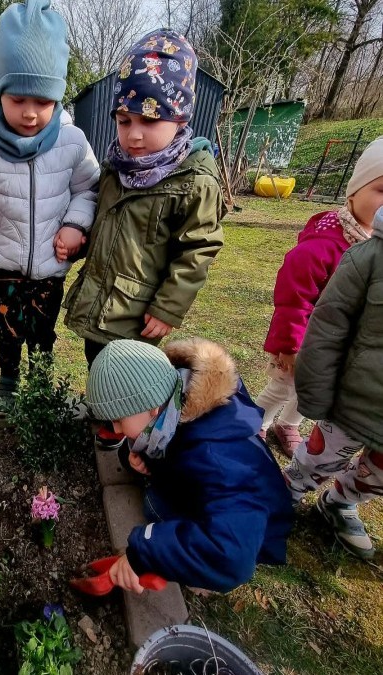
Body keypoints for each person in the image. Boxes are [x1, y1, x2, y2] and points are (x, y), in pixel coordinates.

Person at [63, 30, 225, 449]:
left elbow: (198, 248)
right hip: (102, 293)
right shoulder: (116, 167)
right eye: (124, 121)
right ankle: (109, 417)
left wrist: (169, 306)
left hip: (141, 308)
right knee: (98, 361)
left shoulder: (193, 181)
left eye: (150, 121)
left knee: (133, 373)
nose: (134, 134)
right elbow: (105, 220)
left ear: (180, 120)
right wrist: (82, 239)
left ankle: (137, 430)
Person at [0, 0, 99, 417]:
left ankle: (39, 380)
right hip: (6, 268)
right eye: (18, 99)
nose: (31, 113)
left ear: (57, 97)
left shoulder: (73, 143)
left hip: (51, 268)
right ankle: (8, 378)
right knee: (6, 331)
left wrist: (76, 225)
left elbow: (90, 190)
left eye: (43, 100)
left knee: (42, 331)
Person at [86, 338, 294, 593]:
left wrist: (146, 553)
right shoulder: (174, 402)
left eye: (118, 420)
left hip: (250, 532)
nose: (115, 429)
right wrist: (138, 459)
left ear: (152, 407)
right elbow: (172, 451)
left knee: (155, 507)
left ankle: (197, 578)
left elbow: (231, 554)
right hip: (214, 497)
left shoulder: (214, 455)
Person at [256, 137, 381, 457]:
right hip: (304, 340)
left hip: (340, 343)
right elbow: (293, 298)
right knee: (283, 386)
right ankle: (256, 422)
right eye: (381, 190)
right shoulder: (323, 244)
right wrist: (291, 345)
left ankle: (288, 424)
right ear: (354, 191)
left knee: (315, 390)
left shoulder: (375, 246)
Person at [284, 202, 383, 561]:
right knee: (319, 455)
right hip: (357, 399)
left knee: (378, 473)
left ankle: (341, 501)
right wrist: (316, 391)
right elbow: (327, 326)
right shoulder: (370, 256)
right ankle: (285, 492)